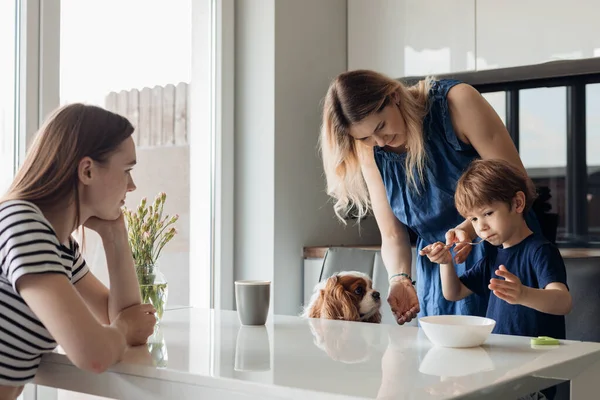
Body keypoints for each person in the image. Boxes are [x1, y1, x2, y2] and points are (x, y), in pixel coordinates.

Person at [319, 69, 540, 325]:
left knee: (513, 354)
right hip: (440, 271)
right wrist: (399, 278)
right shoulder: (372, 150)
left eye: (380, 126)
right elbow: (392, 235)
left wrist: (468, 230)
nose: (380, 141)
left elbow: (516, 184)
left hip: (505, 254)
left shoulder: (457, 103)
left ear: (394, 96)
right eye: (365, 137)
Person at [0, 104, 157, 399]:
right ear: (87, 170)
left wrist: (115, 235)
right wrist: (123, 328)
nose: (132, 185)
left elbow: (122, 315)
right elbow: (93, 352)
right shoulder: (22, 224)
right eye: (127, 171)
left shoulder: (60, 246)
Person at [421, 159, 571, 400]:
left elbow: (563, 301)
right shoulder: (493, 255)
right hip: (498, 367)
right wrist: (445, 262)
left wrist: (523, 294)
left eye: (488, 213)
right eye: (473, 219)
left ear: (518, 203)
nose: (481, 227)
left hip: (533, 372)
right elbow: (454, 292)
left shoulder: (540, 250)